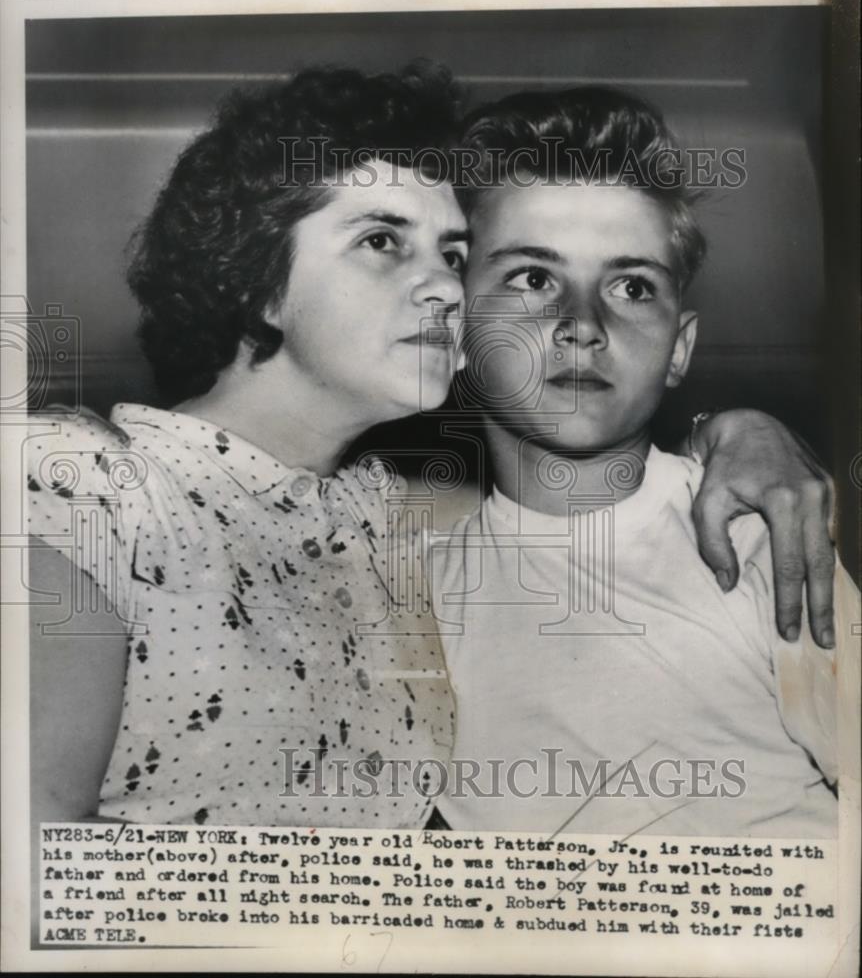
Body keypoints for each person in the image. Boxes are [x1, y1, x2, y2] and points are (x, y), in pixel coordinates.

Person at [28, 64, 837, 832]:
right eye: (383, 240)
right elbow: (27, 869)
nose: (445, 288)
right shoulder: (88, 487)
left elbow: (570, 497)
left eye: (453, 256)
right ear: (256, 280)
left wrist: (736, 430)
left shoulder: (384, 524)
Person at [432, 86, 858, 837]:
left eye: (631, 287)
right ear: (457, 325)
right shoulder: (413, 594)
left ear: (679, 348)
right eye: (533, 278)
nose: (583, 325)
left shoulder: (756, 536)